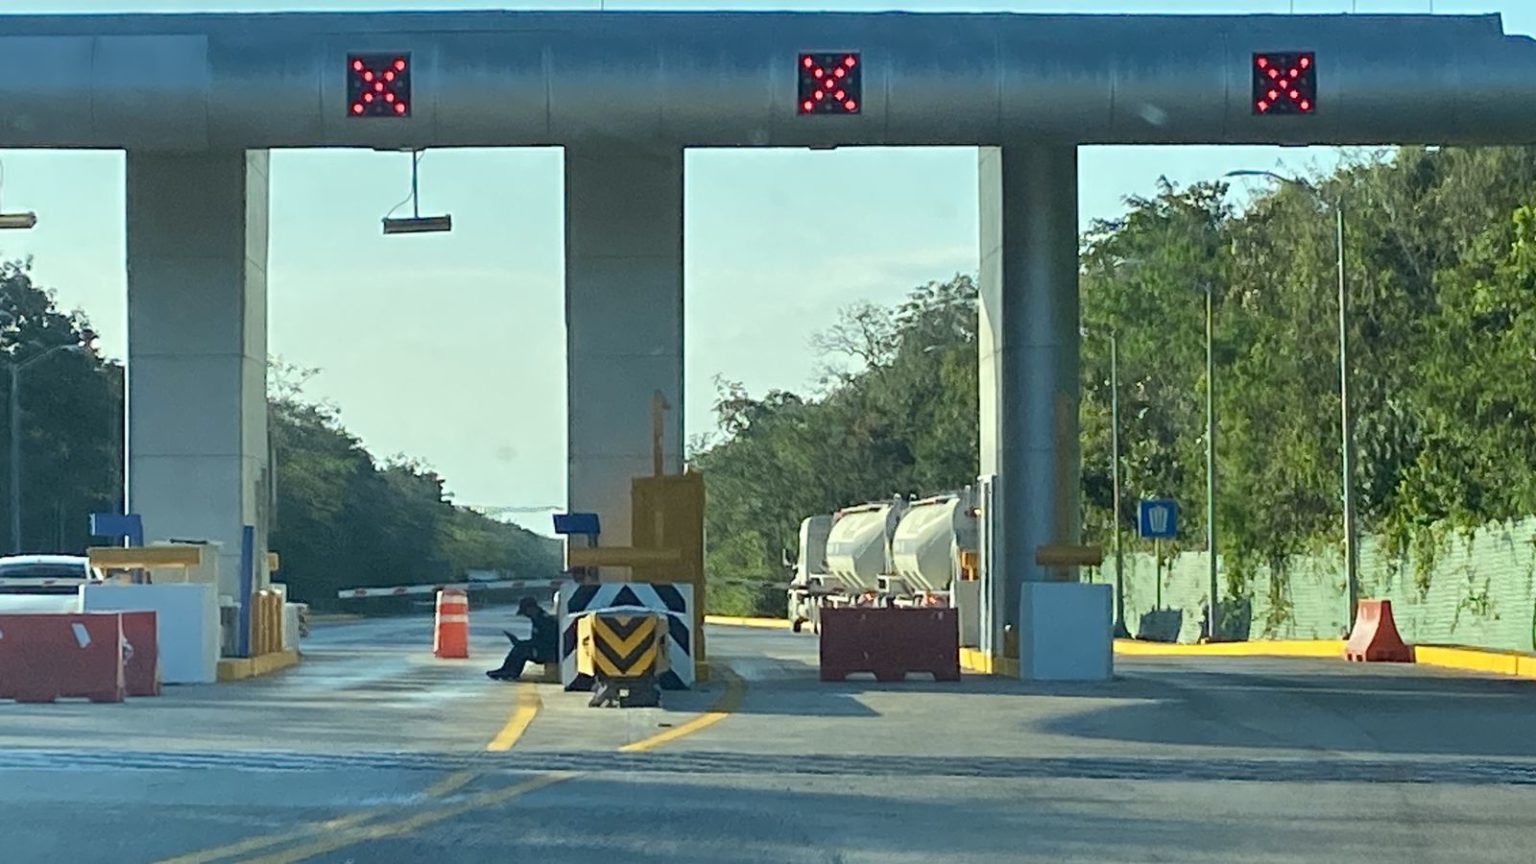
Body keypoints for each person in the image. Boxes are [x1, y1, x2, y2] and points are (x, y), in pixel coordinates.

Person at [486, 595, 558, 681]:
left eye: (525, 612)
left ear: (530, 608)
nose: (525, 615)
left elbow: (546, 641)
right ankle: (505, 669)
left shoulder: (544, 620)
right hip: (542, 649)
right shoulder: (537, 618)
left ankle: (512, 672)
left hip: (547, 652)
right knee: (520, 647)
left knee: (522, 650)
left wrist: (524, 644)